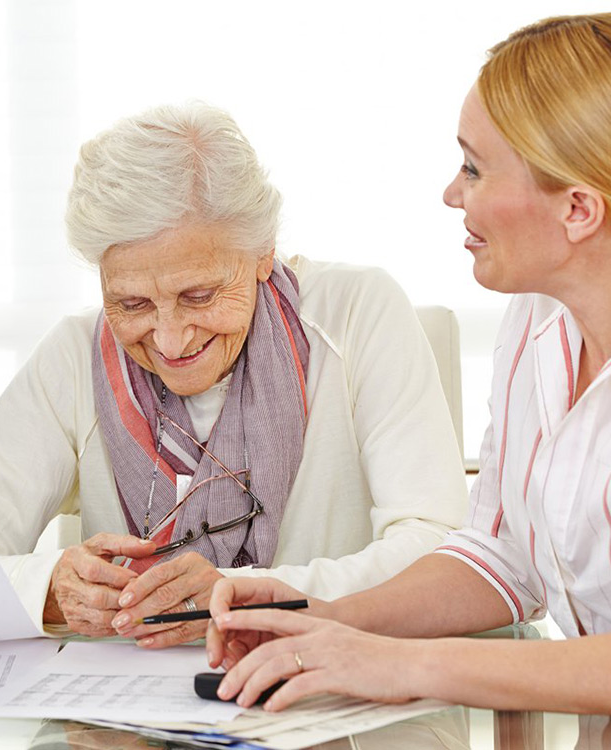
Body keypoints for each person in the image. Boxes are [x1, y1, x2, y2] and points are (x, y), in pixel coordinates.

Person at [0, 102, 467, 647]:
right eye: (132, 304)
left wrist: (241, 596)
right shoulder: (74, 355)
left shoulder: (358, 312)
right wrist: (44, 590)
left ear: (262, 253)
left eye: (199, 295)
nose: (169, 340)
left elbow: (441, 554)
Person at [205, 13, 611, 714]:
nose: (452, 193)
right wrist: (327, 619)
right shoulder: (537, 317)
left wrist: (403, 665)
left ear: (577, 209)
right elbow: (503, 557)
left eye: (474, 168)